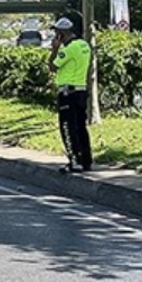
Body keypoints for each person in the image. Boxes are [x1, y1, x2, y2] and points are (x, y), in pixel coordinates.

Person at [49, 16, 93, 173]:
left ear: (61, 33)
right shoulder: (84, 45)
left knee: (67, 127)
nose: (55, 36)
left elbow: (52, 66)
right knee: (81, 127)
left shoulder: (68, 49)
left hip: (68, 93)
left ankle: (75, 161)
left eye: (57, 33)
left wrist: (55, 49)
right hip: (81, 90)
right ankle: (86, 160)